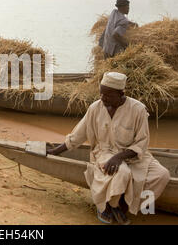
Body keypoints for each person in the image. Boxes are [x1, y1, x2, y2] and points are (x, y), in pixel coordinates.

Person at [47, 72, 170, 224]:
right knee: (122, 173)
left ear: (121, 94)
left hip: (133, 155)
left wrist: (119, 157)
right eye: (101, 94)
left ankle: (123, 205)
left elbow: (141, 144)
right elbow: (77, 135)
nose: (103, 98)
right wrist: (54, 151)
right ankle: (107, 205)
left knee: (162, 175)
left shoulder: (138, 110)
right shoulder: (95, 108)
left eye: (109, 95)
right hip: (104, 152)